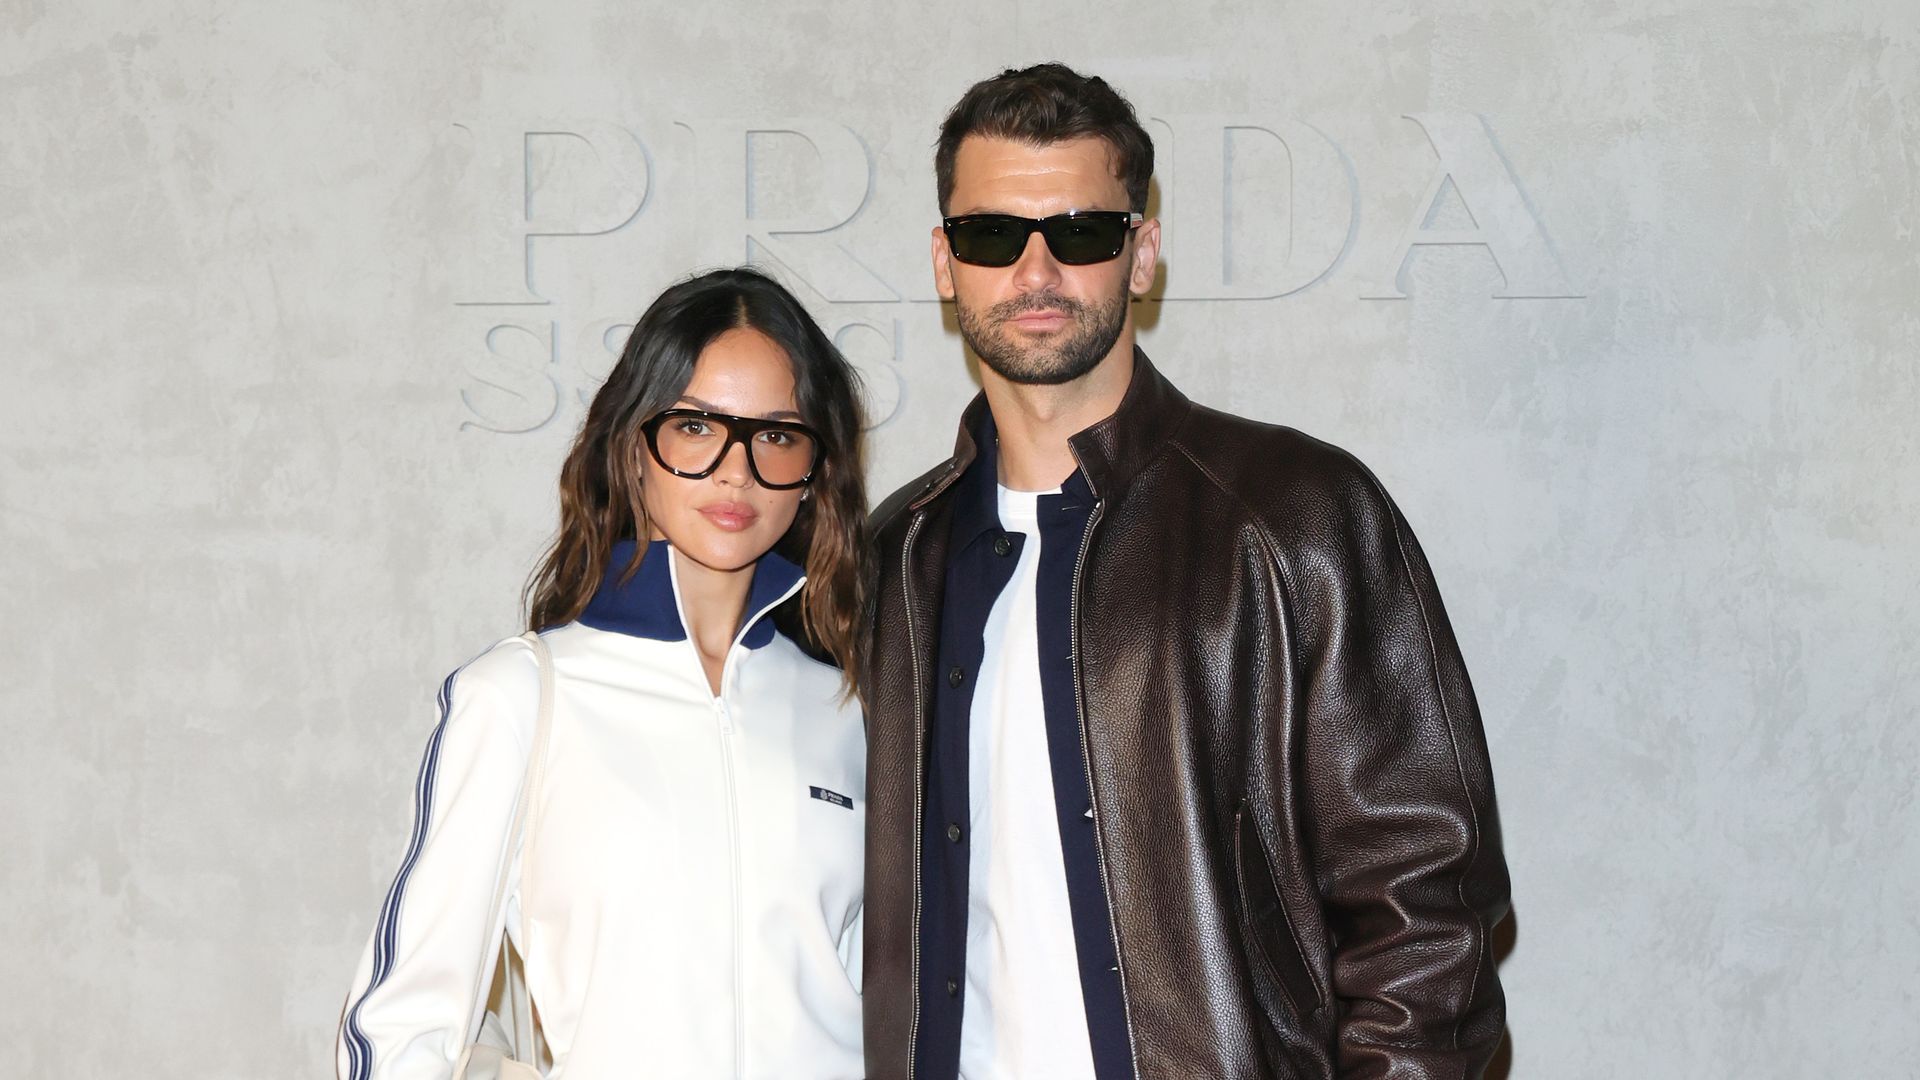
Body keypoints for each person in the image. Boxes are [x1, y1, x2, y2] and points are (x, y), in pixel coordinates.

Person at [861, 64, 1511, 1080]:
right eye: (993, 237)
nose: (1037, 273)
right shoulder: (896, 555)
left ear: (1144, 254)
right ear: (945, 264)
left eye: (1081, 233)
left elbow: (1425, 909)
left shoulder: (1295, 516)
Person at [337, 267, 870, 1079]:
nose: (736, 471)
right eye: (696, 426)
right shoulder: (520, 698)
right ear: (634, 447)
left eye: (775, 434)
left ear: (814, 471)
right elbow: (405, 1024)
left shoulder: (848, 707)